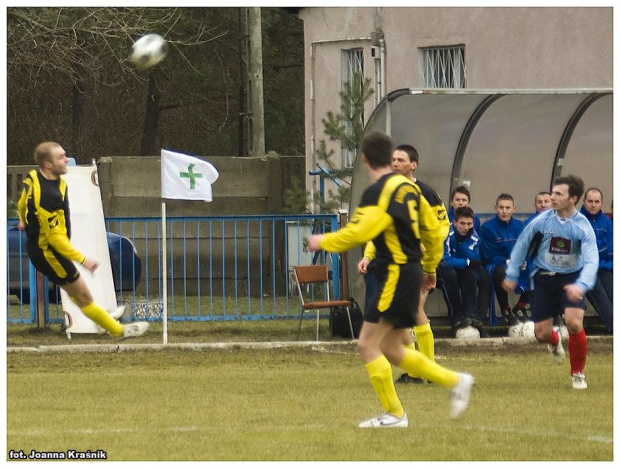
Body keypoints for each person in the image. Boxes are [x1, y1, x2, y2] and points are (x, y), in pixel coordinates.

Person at [308, 131, 474, 428]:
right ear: (389, 158)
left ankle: (396, 414)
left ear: (363, 159)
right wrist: (431, 267)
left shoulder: (378, 192)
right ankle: (454, 381)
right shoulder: (411, 189)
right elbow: (435, 231)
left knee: (367, 344)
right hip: (409, 270)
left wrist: (323, 241)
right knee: (394, 348)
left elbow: (359, 232)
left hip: (394, 273)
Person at [17, 142, 149, 338]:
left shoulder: (37, 176)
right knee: (84, 296)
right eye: (61, 157)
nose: (66, 159)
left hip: (43, 249)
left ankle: (102, 319)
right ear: (48, 165)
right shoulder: (48, 197)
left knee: (79, 296)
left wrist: (22, 219)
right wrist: (83, 260)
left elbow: (22, 200)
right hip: (49, 253)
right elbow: (56, 240)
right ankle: (117, 329)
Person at [357, 144, 450, 384]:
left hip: (415, 263)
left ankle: (425, 371)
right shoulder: (388, 191)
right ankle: (423, 370)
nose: (395, 163)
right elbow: (379, 228)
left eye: (400, 160)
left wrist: (427, 258)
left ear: (413, 165)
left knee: (415, 313)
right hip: (393, 263)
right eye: (393, 159)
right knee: (406, 317)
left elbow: (441, 228)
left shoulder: (426, 193)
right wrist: (368, 254)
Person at [502, 175, 598, 390]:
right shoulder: (541, 221)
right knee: (541, 334)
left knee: (574, 323)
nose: (552, 198)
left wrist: (580, 285)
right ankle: (555, 342)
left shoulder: (582, 227)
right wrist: (512, 274)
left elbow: (592, 261)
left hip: (572, 278)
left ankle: (578, 373)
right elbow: (521, 246)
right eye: (552, 193)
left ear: (573, 199)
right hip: (544, 278)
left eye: (558, 194)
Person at [441, 206, 491, 337]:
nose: (466, 227)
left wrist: (466, 259)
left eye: (469, 224)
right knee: (450, 275)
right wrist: (466, 262)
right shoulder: (446, 234)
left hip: (462, 270)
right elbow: (445, 260)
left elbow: (474, 259)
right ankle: (457, 318)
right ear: (455, 222)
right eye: (462, 223)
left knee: (472, 276)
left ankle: (474, 319)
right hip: (442, 271)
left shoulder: (475, 238)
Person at [479, 194, 528, 324]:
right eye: (501, 207)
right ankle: (505, 310)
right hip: (496, 264)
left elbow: (525, 248)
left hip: (516, 263)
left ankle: (521, 307)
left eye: (507, 207)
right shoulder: (487, 228)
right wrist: (507, 262)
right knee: (500, 272)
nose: (504, 211)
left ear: (514, 209)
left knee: (538, 269)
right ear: (496, 208)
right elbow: (488, 255)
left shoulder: (521, 226)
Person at [580, 187, 613, 334]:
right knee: (602, 300)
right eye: (590, 201)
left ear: (602, 203)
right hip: (585, 271)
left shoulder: (607, 222)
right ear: (584, 202)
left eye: (597, 202)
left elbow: (611, 251)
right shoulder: (576, 221)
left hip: (604, 267)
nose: (593, 205)